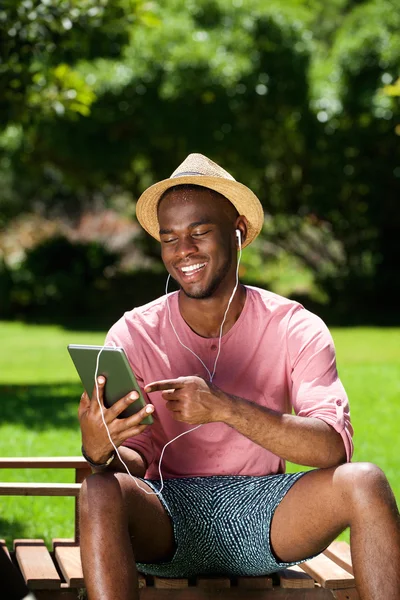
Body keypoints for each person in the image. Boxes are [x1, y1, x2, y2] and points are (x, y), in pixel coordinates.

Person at [78, 153, 400, 600]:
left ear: (239, 231)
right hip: (167, 513)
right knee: (97, 490)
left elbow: (332, 448)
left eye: (199, 232)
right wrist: (101, 451)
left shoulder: (294, 326)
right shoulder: (132, 332)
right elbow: (133, 458)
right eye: (169, 238)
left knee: (366, 480)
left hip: (271, 512)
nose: (182, 250)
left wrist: (223, 407)